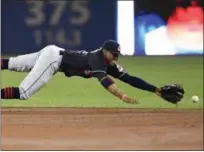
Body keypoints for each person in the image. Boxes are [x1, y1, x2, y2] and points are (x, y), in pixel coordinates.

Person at [1, 40, 184, 104]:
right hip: (54, 60)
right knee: (24, 92)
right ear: (105, 51)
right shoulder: (97, 58)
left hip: (53, 52)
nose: (116, 57)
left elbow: (130, 79)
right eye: (114, 53)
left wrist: (156, 90)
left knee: (11, 63)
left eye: (117, 55)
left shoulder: (108, 63)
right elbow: (105, 82)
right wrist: (122, 96)